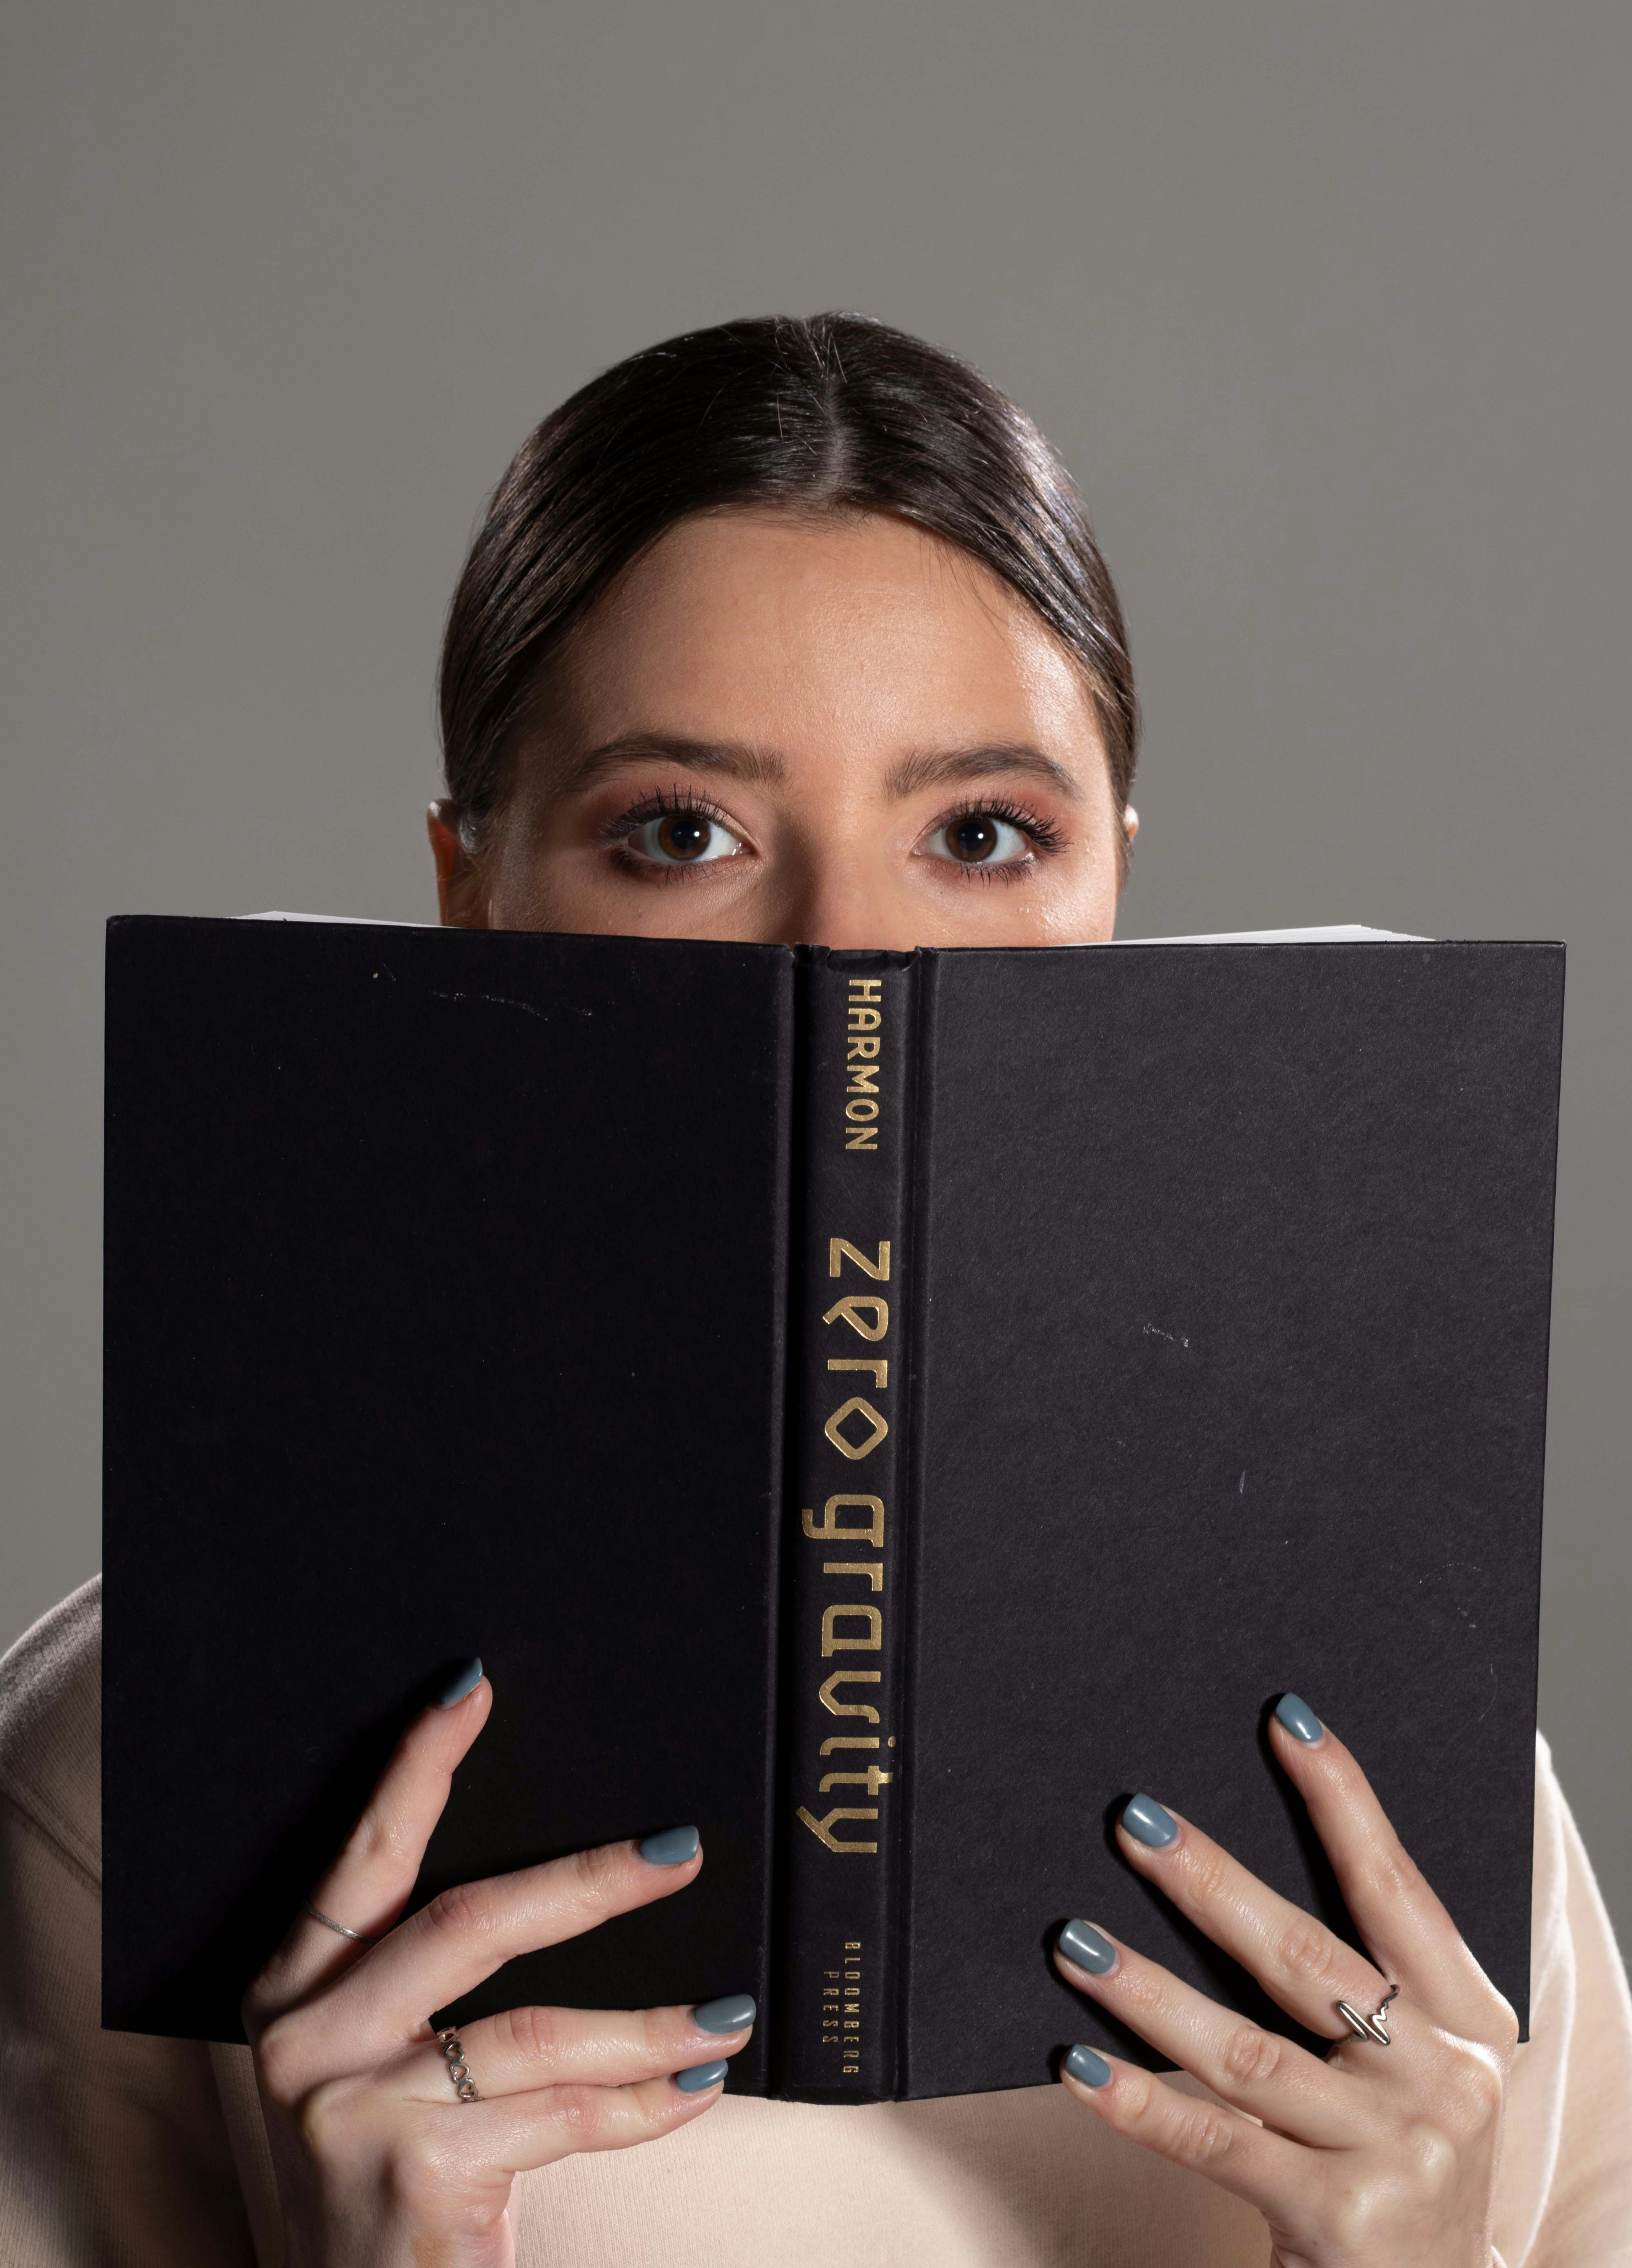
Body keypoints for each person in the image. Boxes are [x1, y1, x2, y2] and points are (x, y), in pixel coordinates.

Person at [2, 315, 1628, 2268]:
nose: (846, 959)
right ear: (471, 890)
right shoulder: (137, 1757)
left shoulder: (1395, 1772)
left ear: (1111, 883)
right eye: (681, 833)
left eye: (981, 834)